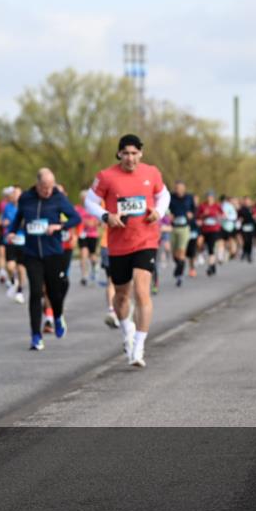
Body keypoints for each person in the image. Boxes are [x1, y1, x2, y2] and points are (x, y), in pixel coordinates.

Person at [84, 134, 169, 367]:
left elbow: (164, 195)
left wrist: (159, 212)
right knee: (121, 296)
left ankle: (139, 347)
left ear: (141, 153)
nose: (130, 158)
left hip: (146, 240)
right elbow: (89, 202)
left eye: (134, 153)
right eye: (126, 153)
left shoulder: (151, 172)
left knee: (142, 291)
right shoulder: (106, 176)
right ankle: (127, 331)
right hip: (119, 244)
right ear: (119, 154)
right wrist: (106, 216)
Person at [7, 169, 80, 351]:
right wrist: (12, 232)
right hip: (32, 254)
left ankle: (58, 316)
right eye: (45, 187)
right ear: (37, 185)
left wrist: (59, 226)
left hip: (53, 252)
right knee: (35, 293)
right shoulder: (26, 198)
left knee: (55, 292)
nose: (48, 191)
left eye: (51, 187)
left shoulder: (58, 197)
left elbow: (75, 217)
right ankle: (35, 336)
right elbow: (18, 218)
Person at [168, 181, 195, 287]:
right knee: (174, 254)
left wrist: (191, 214)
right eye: (176, 188)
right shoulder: (171, 197)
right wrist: (169, 214)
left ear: (184, 189)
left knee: (182, 251)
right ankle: (179, 266)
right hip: (174, 228)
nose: (178, 190)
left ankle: (179, 274)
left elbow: (194, 210)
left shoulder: (189, 198)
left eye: (180, 188)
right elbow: (166, 209)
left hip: (184, 228)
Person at [2, 186, 26, 304]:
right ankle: (13, 281)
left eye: (16, 193)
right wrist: (5, 223)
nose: (14, 195)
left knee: (21, 267)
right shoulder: (8, 207)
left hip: (23, 240)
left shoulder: (26, 207)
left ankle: (20, 291)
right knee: (10, 266)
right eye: (13, 193)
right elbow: (3, 221)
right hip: (10, 240)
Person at [76, 191, 100, 287]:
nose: (84, 200)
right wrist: (83, 221)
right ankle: (84, 276)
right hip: (82, 235)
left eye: (86, 198)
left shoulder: (94, 208)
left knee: (92, 255)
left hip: (93, 235)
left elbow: (100, 221)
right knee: (83, 254)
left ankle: (95, 266)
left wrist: (93, 223)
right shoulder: (77, 209)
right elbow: (74, 219)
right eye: (83, 198)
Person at [197, 191, 223, 276]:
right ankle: (204, 257)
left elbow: (223, 215)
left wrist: (218, 216)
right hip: (204, 229)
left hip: (214, 229)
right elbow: (198, 216)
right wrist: (204, 215)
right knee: (199, 243)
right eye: (208, 197)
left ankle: (211, 267)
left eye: (211, 197)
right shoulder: (202, 206)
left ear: (213, 198)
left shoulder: (217, 206)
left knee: (211, 247)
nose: (209, 198)